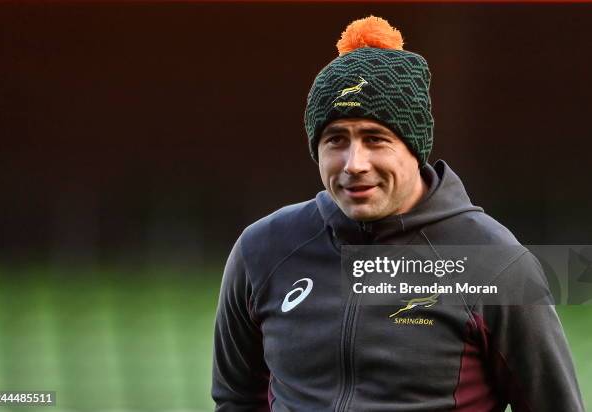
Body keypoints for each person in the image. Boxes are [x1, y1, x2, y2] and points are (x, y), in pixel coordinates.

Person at [211, 16, 584, 412]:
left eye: (376, 139)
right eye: (336, 139)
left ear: (414, 147)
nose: (354, 163)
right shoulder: (263, 250)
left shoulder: (495, 263)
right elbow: (235, 399)